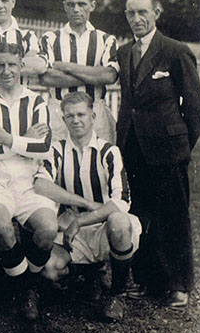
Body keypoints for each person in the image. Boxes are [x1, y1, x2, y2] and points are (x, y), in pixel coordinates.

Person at [116, 0, 200, 308]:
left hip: (168, 148)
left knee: (173, 216)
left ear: (156, 13)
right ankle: (147, 280)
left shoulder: (175, 51)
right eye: (130, 13)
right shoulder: (124, 52)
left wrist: (181, 144)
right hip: (134, 147)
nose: (136, 19)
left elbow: (194, 105)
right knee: (140, 214)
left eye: (142, 12)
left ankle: (178, 284)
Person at [36, 92, 140, 321]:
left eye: (81, 114)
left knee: (121, 222)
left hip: (104, 226)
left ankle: (117, 294)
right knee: (49, 269)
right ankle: (89, 273)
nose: (76, 120)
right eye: (70, 116)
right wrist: (82, 204)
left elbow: (121, 202)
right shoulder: (57, 149)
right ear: (63, 120)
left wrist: (81, 219)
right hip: (74, 231)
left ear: (93, 116)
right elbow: (41, 184)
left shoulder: (108, 151)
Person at [0, 42, 56, 320]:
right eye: (1, 66)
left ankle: (21, 283)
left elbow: (43, 147)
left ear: (21, 67)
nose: (7, 71)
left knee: (48, 229)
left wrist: (8, 139)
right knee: (1, 226)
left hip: (27, 180)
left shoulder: (36, 101)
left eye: (12, 65)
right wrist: (25, 139)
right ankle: (25, 290)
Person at [39, 0, 119, 143]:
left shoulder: (105, 39)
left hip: (95, 110)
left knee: (97, 161)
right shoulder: (50, 38)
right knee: (58, 161)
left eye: (81, 4)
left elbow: (109, 76)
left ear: (92, 5)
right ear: (64, 6)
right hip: (59, 112)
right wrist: (94, 75)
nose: (76, 9)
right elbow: (46, 78)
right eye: (71, 4)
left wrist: (68, 67)